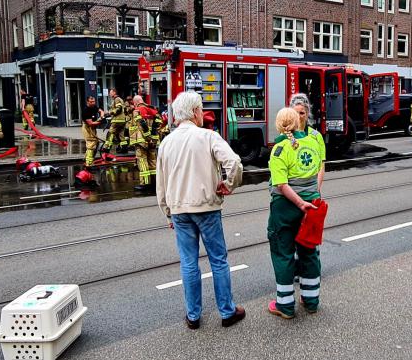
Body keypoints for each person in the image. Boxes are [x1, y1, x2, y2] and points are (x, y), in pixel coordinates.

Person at [156, 91, 245, 330]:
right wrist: (228, 184)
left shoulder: (166, 143)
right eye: (201, 110)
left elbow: (161, 184)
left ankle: (193, 316)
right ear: (195, 112)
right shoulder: (208, 136)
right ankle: (227, 312)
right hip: (206, 207)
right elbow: (234, 163)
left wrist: (167, 211)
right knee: (218, 259)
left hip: (179, 210)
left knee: (188, 262)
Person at [266, 107, 324, 319]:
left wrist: (299, 203)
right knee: (309, 251)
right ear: (298, 123)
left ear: (279, 125)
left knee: (283, 253)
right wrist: (309, 199)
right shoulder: (312, 143)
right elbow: (318, 170)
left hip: (286, 208)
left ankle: (285, 305)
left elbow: (281, 184)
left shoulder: (280, 149)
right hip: (312, 206)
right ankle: (311, 301)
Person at [289, 93, 325, 191]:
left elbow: (321, 165)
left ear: (307, 113)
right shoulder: (286, 136)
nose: (299, 116)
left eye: (302, 113)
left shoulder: (316, 136)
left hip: (312, 189)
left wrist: (316, 190)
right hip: (292, 190)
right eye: (295, 113)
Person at [130, 95, 152, 191]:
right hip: (152, 141)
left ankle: (145, 183)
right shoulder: (151, 109)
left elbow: (142, 125)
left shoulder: (137, 111)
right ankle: (154, 182)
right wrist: (152, 139)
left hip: (142, 140)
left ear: (136, 102)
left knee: (142, 161)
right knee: (152, 162)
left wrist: (147, 138)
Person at [103, 89, 127, 154]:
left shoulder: (117, 99)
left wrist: (109, 113)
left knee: (110, 133)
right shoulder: (120, 99)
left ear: (114, 92)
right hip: (122, 120)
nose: (109, 94)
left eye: (110, 92)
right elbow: (124, 109)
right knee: (120, 135)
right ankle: (124, 148)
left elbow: (119, 109)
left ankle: (106, 148)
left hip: (117, 120)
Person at [81, 96, 103, 167]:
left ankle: (86, 159)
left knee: (96, 143)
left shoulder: (94, 107)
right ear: (87, 102)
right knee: (91, 144)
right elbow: (90, 123)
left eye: (94, 101)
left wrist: (102, 116)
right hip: (88, 128)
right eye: (91, 102)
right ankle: (89, 164)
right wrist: (100, 122)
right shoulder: (86, 111)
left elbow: (101, 111)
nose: (93, 103)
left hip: (93, 128)